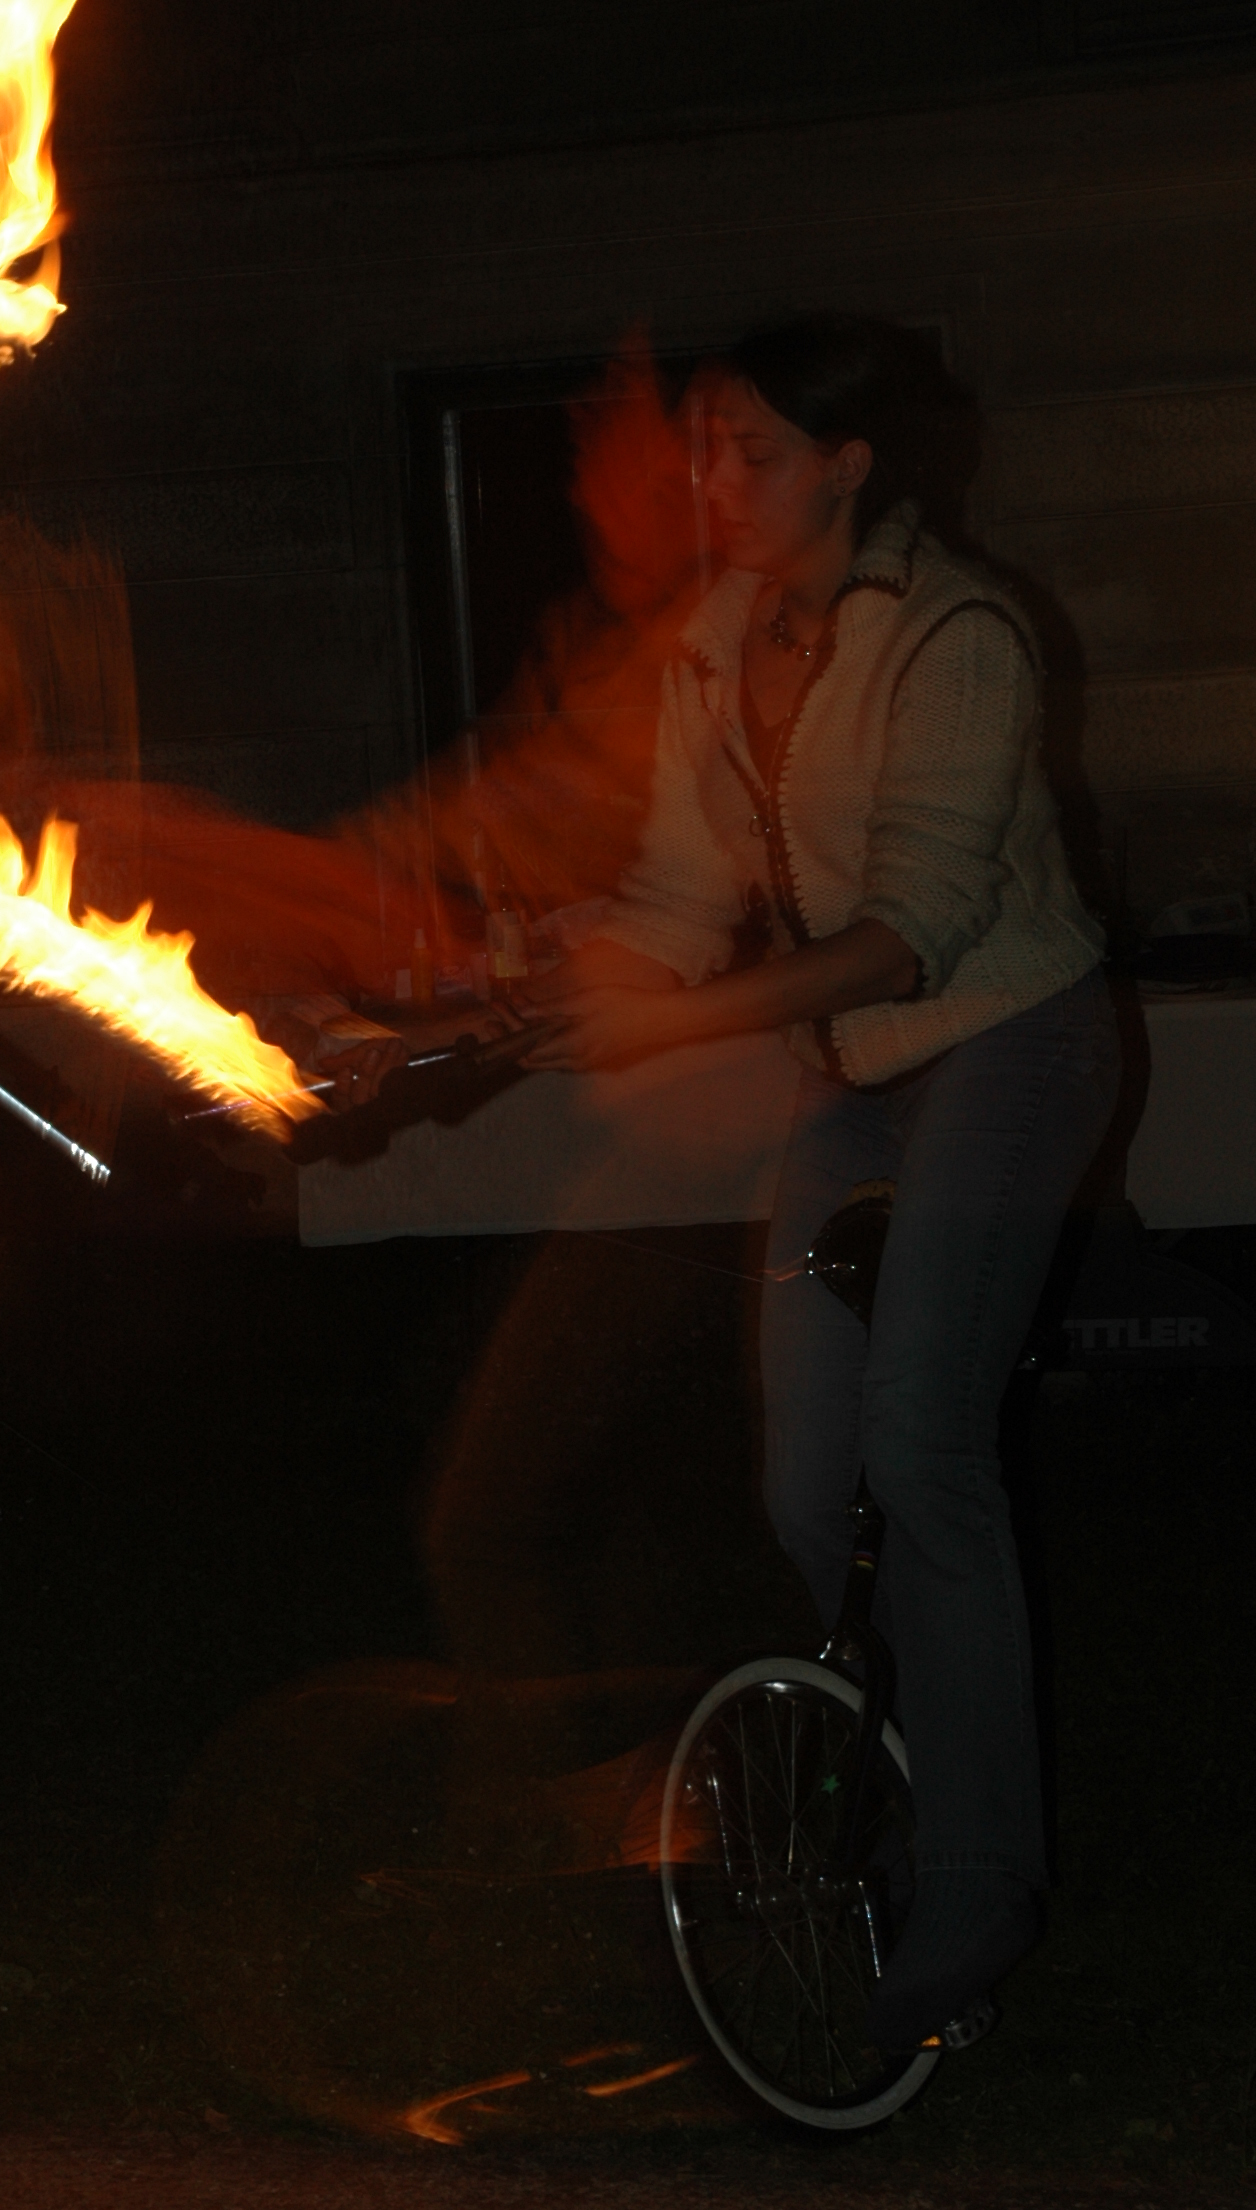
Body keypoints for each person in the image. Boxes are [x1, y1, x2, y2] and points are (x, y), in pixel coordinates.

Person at [510, 312, 1119, 2053]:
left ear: (848, 465)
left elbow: (907, 935)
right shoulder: (720, 642)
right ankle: (912, 1799)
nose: (711, 480)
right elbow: (678, 896)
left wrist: (675, 1021)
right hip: (850, 1084)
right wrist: (542, 986)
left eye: (750, 451)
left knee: (923, 1450)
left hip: (1006, 1049)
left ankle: (975, 1894)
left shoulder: (959, 637)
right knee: (808, 1488)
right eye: (704, 447)